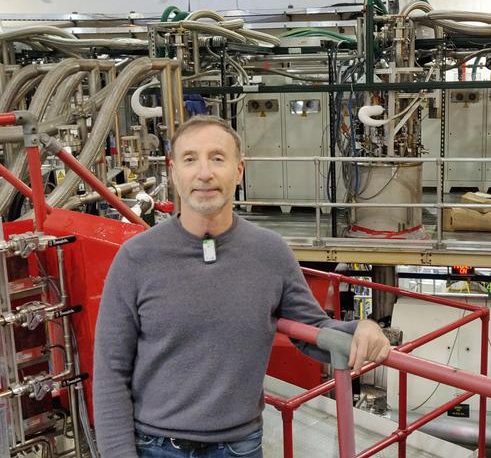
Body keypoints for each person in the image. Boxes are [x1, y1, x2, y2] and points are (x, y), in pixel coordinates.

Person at [93, 115, 391, 457]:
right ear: (173, 171)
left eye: (217, 158)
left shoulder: (270, 252)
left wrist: (362, 328)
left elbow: (313, 329)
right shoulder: (136, 259)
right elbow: (110, 372)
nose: (204, 173)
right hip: (156, 447)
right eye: (190, 159)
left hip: (239, 448)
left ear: (239, 170)